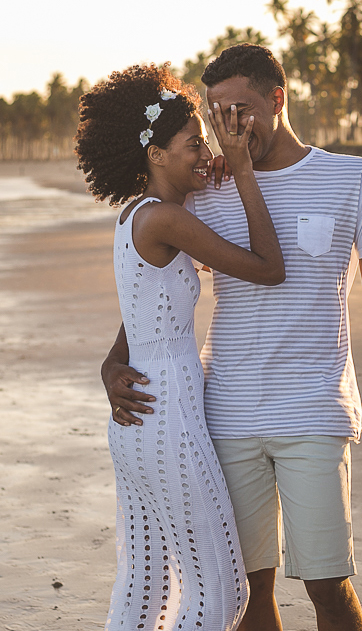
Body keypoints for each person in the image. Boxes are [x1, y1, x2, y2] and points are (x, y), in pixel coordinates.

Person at [101, 44, 362, 631]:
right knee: (247, 590)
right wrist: (116, 360)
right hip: (223, 417)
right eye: (217, 115)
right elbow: (154, 286)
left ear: (277, 99)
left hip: (314, 411)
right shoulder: (204, 188)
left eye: (240, 110)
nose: (229, 129)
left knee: (327, 584)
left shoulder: (354, 178)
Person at [74, 62, 287, 631]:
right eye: (194, 144)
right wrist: (243, 171)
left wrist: (110, 364)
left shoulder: (138, 216)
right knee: (224, 594)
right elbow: (269, 267)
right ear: (155, 155)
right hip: (167, 417)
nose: (206, 152)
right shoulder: (166, 220)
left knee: (146, 588)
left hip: (140, 421)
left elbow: (141, 316)